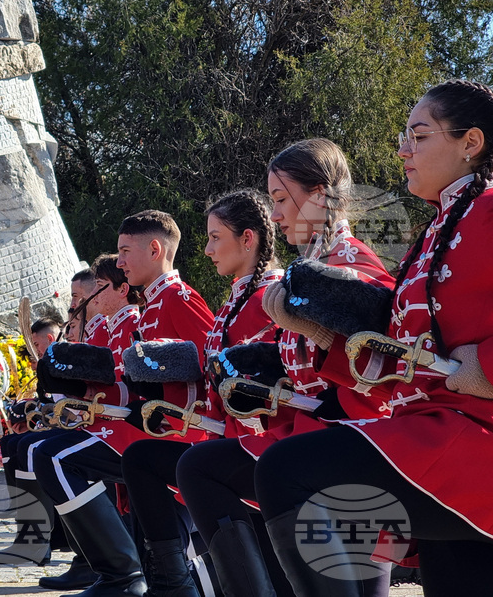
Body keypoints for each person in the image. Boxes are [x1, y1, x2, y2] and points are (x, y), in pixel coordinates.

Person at [255, 81, 493, 596]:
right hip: (432, 433)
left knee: (288, 473)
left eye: (419, 135)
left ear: (470, 142)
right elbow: (401, 359)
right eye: (404, 136)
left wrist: (488, 368)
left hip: (472, 439)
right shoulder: (437, 231)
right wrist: (320, 334)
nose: (403, 150)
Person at [176, 139, 395, 597]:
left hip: (357, 434)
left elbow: (384, 366)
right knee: (203, 468)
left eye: (280, 199)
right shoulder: (319, 262)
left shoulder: (349, 262)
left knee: (225, 469)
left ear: (318, 196)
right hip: (317, 427)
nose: (275, 215)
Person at [29, 210, 214, 597]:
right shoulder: (154, 305)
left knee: (57, 458)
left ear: (155, 249)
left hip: (179, 435)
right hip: (151, 430)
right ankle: (127, 575)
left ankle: (119, 573)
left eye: (125, 251)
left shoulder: (178, 298)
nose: (122, 262)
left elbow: (212, 361)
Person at [120, 190, 282, 597]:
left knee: (188, 466)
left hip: (254, 439)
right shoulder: (238, 295)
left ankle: (175, 580)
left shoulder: (262, 296)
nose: (206, 249)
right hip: (219, 433)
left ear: (249, 239)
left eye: (214, 237)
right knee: (142, 459)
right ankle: (167, 580)